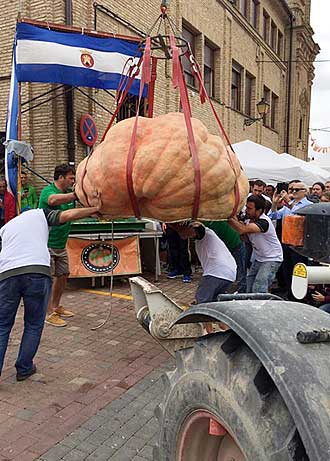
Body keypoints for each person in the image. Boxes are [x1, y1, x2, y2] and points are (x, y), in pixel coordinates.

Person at [0, 204, 100, 381]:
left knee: (2, 326)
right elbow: (67, 215)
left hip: (7, 275)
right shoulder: (39, 214)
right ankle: (24, 368)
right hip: (36, 271)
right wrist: (94, 209)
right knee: (33, 324)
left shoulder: (6, 227)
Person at [38, 164, 77, 327]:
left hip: (61, 244)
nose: (73, 181)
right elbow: (53, 200)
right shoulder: (48, 191)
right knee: (46, 279)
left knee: (63, 275)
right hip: (46, 243)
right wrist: (76, 195)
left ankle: (55, 306)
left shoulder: (69, 194)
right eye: (71, 178)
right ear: (60, 177)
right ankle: (48, 313)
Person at [229, 195, 283, 293]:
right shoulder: (248, 219)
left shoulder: (264, 222)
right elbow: (244, 235)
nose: (246, 211)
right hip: (259, 258)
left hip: (272, 259)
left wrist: (228, 217)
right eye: (246, 207)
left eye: (249, 208)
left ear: (259, 210)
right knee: (249, 287)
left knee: (259, 288)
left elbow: (242, 229)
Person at [173, 222, 237, 303]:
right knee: (215, 304)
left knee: (201, 303)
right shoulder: (205, 235)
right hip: (229, 274)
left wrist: (196, 225)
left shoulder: (203, 233)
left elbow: (199, 229)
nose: (180, 233)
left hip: (216, 273)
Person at [269, 182, 312, 298]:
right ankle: (290, 294)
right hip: (286, 243)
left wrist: (289, 202)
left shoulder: (309, 205)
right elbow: (272, 216)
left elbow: (298, 213)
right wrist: (274, 203)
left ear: (305, 191)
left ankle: (301, 297)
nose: (293, 191)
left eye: (297, 190)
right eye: (291, 189)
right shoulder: (287, 207)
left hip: (300, 245)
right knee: (287, 271)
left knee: (298, 272)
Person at [204, 220, 246, 293]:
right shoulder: (204, 222)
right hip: (226, 248)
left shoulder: (219, 216)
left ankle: (241, 292)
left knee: (241, 272)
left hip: (236, 244)